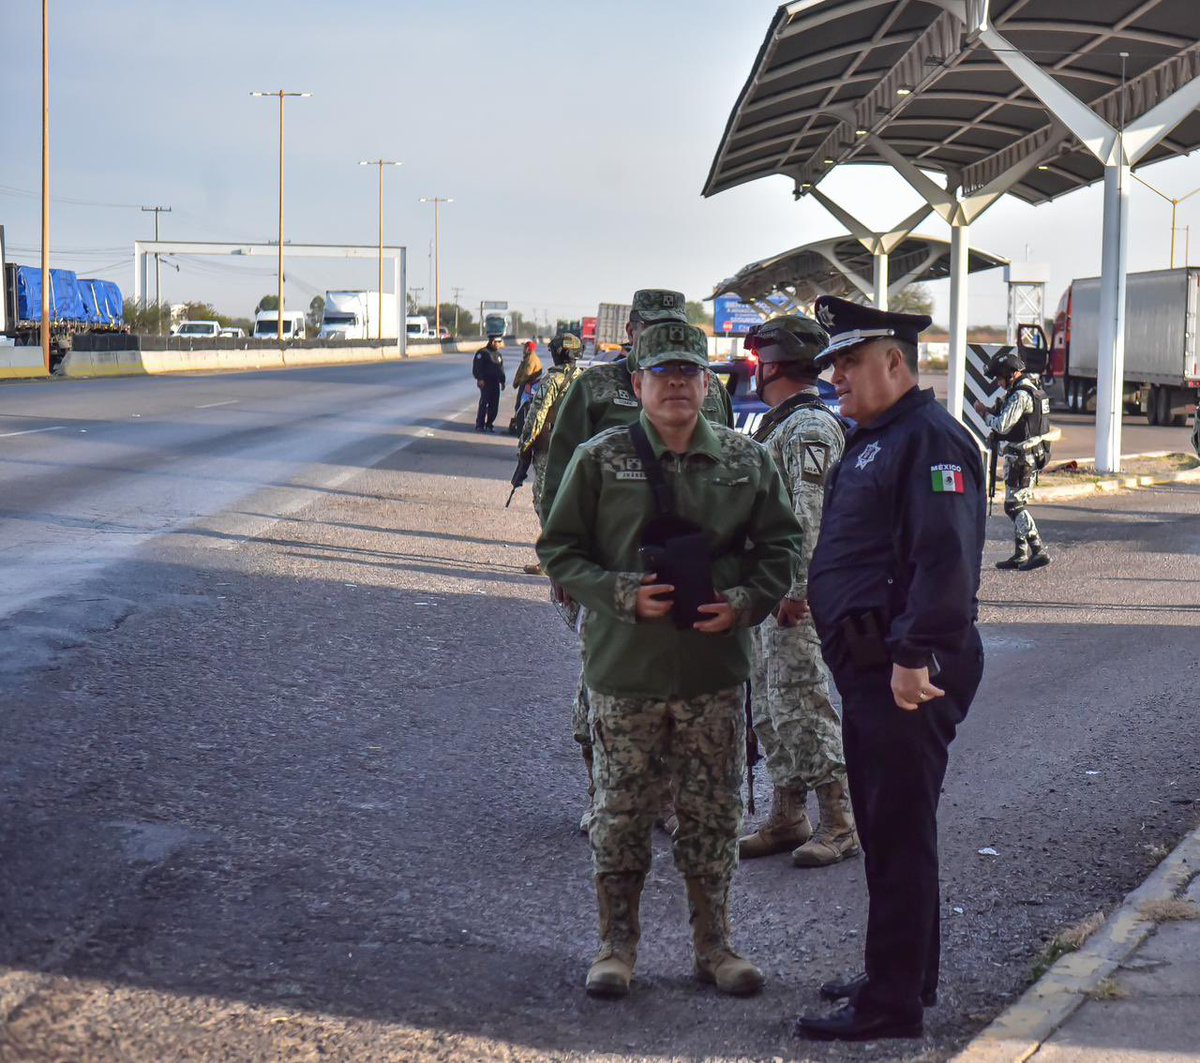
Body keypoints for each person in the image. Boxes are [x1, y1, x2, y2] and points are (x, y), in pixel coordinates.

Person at [537, 321, 803, 1000]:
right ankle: (615, 947)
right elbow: (560, 549)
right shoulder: (599, 459)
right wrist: (620, 592)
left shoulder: (747, 461)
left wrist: (744, 600)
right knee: (621, 814)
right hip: (625, 670)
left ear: (708, 383)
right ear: (637, 384)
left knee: (712, 815)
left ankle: (716, 946)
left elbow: (782, 548)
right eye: (663, 372)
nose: (678, 383)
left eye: (690, 371)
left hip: (712, 674)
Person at [796, 296, 985, 1042]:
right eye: (831, 364)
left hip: (906, 671)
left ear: (894, 361)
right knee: (892, 829)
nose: (834, 376)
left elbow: (945, 557)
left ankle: (890, 1004)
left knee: (897, 832)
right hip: (878, 665)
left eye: (846, 361)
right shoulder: (883, 435)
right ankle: (904, 973)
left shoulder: (931, 439)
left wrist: (914, 655)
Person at [540, 290, 733, 836]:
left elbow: (724, 462)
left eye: (674, 328)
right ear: (632, 330)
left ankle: (668, 800)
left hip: (688, 558)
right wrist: (564, 559)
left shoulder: (705, 384)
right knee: (601, 684)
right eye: (652, 328)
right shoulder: (596, 386)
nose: (663, 341)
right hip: (612, 564)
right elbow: (559, 476)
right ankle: (604, 792)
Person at [736, 315, 861, 869]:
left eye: (760, 359)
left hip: (794, 596)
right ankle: (788, 815)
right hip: (768, 592)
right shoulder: (779, 424)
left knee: (804, 703)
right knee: (771, 706)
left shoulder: (808, 427)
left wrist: (798, 590)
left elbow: (809, 517)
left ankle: (840, 823)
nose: (754, 370)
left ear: (777, 364)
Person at [974, 350, 1052, 571]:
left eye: (999, 378)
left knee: (1013, 505)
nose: (998, 383)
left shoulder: (1021, 395)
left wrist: (983, 413)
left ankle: (1038, 550)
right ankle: (1020, 553)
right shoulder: (1025, 388)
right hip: (1020, 455)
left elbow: (1002, 425)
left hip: (1023, 457)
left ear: (1010, 374)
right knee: (1016, 502)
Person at [517, 333, 584, 574]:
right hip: (580, 453)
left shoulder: (552, 381)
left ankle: (551, 560)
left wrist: (523, 450)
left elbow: (536, 418)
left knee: (546, 501)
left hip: (552, 451)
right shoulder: (587, 381)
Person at [509, 340, 545, 435]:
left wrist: (520, 383)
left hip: (527, 385)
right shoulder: (529, 358)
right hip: (527, 385)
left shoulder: (531, 359)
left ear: (528, 349)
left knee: (520, 407)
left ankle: (520, 428)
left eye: (524, 347)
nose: (523, 350)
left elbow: (527, 373)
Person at [472, 335, 506, 433]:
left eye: (500, 342)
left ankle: (489, 424)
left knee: (494, 405)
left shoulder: (498, 355)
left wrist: (502, 381)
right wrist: (480, 378)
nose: (499, 344)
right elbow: (477, 367)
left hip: (495, 382)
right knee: (484, 403)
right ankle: (480, 424)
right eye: (498, 342)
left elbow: (501, 369)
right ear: (492, 342)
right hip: (486, 382)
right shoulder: (482, 353)